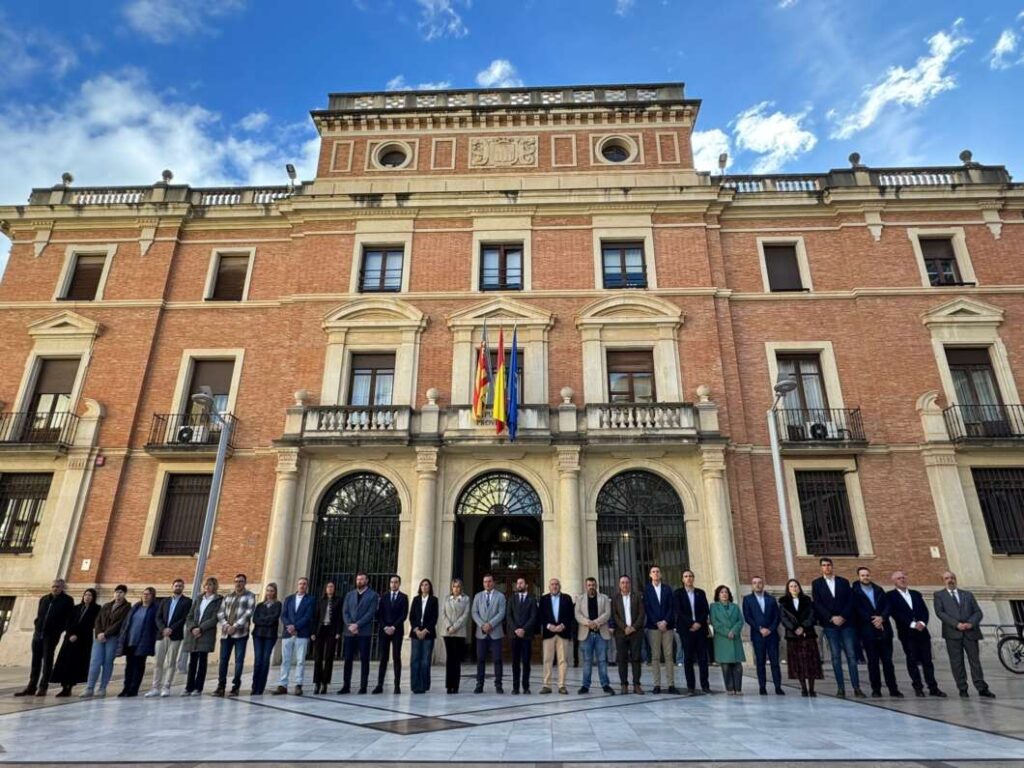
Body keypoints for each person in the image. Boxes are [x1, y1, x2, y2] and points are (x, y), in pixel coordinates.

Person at [933, 571, 995, 698]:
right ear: (942, 581)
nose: (950, 580)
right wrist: (956, 624)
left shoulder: (967, 594)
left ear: (956, 579)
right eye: (947, 578)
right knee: (957, 662)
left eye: (952, 578)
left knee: (975, 661)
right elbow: (940, 613)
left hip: (970, 632)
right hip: (952, 633)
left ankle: (981, 687)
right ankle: (962, 688)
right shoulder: (939, 595)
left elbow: (978, 612)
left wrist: (970, 623)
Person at [811, 557, 864, 698]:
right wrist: (831, 617)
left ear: (832, 566)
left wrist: (843, 616)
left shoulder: (843, 582)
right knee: (835, 656)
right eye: (824, 565)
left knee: (852, 656)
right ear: (821, 568)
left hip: (846, 624)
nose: (827, 567)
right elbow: (818, 604)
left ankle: (856, 687)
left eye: (828, 565)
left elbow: (850, 601)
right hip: (829, 625)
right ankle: (841, 688)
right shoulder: (816, 584)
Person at [888, 571, 945, 697]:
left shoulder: (915, 594)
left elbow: (924, 610)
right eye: (898, 578)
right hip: (907, 633)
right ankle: (918, 687)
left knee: (927, 661)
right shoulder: (890, 596)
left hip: (922, 632)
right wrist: (912, 624)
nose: (902, 580)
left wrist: (923, 623)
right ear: (894, 581)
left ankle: (933, 687)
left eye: (903, 577)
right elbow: (895, 613)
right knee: (912, 660)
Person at [16, 579, 75, 697]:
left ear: (62, 588)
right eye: (53, 586)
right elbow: (39, 615)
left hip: (51, 636)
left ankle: (43, 687)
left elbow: (68, 619)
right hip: (38, 634)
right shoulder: (44, 599)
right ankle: (31, 686)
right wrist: (37, 625)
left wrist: (59, 630)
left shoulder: (67, 600)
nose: (55, 588)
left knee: (47, 661)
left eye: (58, 587)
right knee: (35, 662)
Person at [851, 566, 902, 698]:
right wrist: (873, 620)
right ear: (858, 577)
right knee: (873, 662)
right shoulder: (855, 592)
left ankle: (893, 688)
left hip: (884, 630)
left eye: (867, 575)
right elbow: (857, 610)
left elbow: (888, 606)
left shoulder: (879, 590)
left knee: (887, 662)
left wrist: (882, 618)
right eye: (862, 575)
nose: (865, 577)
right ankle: (876, 689)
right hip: (868, 631)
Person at [145, 578, 192, 697]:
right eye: (176, 585)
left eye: (180, 586)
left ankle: (166, 686)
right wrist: (163, 629)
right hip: (161, 635)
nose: (178, 587)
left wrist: (171, 629)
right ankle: (155, 687)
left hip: (175, 636)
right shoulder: (164, 601)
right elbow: (158, 617)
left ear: (183, 588)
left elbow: (184, 618)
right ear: (172, 587)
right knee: (158, 662)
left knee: (171, 662)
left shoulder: (187, 602)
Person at [81, 585, 130, 698]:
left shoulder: (127, 607)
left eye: (121, 592)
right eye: (117, 592)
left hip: (112, 638)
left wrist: (106, 633)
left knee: (107, 663)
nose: (118, 594)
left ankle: (102, 688)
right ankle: (89, 687)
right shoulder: (107, 606)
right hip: (99, 637)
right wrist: (98, 633)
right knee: (95, 662)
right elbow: (98, 620)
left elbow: (120, 623)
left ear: (125, 594)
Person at [51, 588, 100, 697]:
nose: (87, 597)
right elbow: (68, 622)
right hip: (69, 639)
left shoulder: (96, 609)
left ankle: (70, 686)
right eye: (86, 595)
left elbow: (91, 625)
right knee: (65, 662)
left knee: (75, 664)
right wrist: (71, 634)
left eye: (90, 595)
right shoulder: (76, 608)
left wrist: (77, 635)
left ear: (93, 597)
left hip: (83, 640)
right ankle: (64, 687)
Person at [214, 573, 256, 697]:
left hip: (241, 635)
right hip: (226, 634)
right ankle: (221, 687)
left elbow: (249, 612)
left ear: (245, 583)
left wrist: (235, 626)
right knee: (223, 661)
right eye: (237, 581)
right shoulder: (227, 597)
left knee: (239, 661)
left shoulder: (250, 596)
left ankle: (235, 687)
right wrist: (227, 626)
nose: (238, 583)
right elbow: (220, 613)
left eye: (241, 581)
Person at [779, 578, 822, 697]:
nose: (794, 588)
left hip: (808, 634)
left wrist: (803, 627)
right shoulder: (783, 603)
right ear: (788, 589)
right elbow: (784, 619)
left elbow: (812, 616)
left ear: (799, 587)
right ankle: (803, 688)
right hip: (793, 636)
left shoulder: (807, 601)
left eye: (796, 586)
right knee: (798, 663)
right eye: (791, 586)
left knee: (810, 662)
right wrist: (795, 628)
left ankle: (812, 688)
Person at [741, 576, 784, 695]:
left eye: (759, 583)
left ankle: (778, 686)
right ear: (752, 585)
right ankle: (762, 686)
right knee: (760, 662)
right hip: (757, 635)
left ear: (763, 584)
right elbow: (747, 616)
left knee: (775, 662)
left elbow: (777, 616)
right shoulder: (747, 599)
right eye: (755, 583)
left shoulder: (771, 599)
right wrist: (759, 629)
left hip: (772, 635)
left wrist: (770, 629)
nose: (757, 585)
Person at [339, 572, 379, 694]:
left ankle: (363, 686)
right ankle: (346, 685)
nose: (359, 581)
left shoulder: (373, 595)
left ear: (367, 580)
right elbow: (345, 611)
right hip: (349, 632)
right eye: (358, 579)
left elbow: (370, 613)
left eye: (362, 579)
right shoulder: (349, 595)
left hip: (364, 632)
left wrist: (358, 624)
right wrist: (350, 625)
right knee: (348, 659)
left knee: (364, 660)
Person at [182, 577, 222, 696]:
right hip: (193, 634)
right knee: (192, 661)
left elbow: (215, 618)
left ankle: (198, 688)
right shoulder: (199, 599)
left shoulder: (218, 600)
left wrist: (201, 628)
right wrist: (193, 628)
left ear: (215, 586)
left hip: (206, 633)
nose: (208, 587)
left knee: (202, 662)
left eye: (210, 585)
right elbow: (189, 616)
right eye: (206, 585)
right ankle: (189, 687)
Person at [276, 577, 315, 696]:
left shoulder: (311, 600)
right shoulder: (289, 599)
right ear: (297, 585)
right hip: (288, 633)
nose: (302, 586)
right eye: (300, 584)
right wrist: (289, 626)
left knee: (300, 661)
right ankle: (283, 684)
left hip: (302, 634)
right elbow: (283, 615)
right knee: (285, 660)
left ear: (307, 586)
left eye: (304, 584)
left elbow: (308, 616)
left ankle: (298, 684)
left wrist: (296, 627)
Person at [575, 577, 614, 695]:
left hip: (601, 634)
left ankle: (605, 685)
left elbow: (607, 614)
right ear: (586, 586)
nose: (591, 587)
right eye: (589, 585)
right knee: (587, 661)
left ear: (596, 585)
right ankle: (585, 686)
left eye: (593, 584)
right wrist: (588, 623)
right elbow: (577, 614)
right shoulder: (580, 599)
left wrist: (596, 622)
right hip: (586, 634)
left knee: (602, 660)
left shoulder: (604, 598)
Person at [117, 587, 159, 697]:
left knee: (138, 666)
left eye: (148, 594)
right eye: (144, 594)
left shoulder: (155, 609)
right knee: (129, 666)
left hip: (143, 641)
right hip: (130, 640)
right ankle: (125, 688)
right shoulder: (135, 607)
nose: (145, 596)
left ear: (152, 596)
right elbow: (127, 623)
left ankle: (133, 689)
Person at [674, 569, 709, 695]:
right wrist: (691, 623)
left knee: (703, 659)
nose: (688, 578)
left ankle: (705, 685)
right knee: (688, 659)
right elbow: (678, 611)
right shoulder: (678, 593)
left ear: (693, 578)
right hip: (686, 630)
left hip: (700, 630)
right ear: (682, 579)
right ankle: (690, 687)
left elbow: (705, 610)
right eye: (686, 576)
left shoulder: (701, 593)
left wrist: (698, 623)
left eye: (690, 576)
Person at [643, 566, 676, 695]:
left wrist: (665, 621)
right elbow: (647, 608)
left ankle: (671, 684)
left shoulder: (667, 589)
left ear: (660, 574)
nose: (656, 574)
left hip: (667, 627)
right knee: (655, 657)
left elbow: (671, 607)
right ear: (650, 575)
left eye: (657, 572)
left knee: (668, 656)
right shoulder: (647, 590)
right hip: (653, 627)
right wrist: (657, 622)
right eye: (653, 572)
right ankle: (656, 684)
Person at [472, 573, 506, 694]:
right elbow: (474, 613)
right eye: (485, 581)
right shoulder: (478, 596)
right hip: (481, 634)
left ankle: (498, 685)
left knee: (497, 659)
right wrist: (482, 625)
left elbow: (501, 613)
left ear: (493, 582)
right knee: (480, 659)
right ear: (483, 583)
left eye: (490, 581)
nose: (487, 583)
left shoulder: (500, 596)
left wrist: (490, 624)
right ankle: (479, 684)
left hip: (495, 633)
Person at [538, 578, 573, 694]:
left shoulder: (567, 598)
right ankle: (546, 685)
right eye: (552, 584)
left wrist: (562, 625)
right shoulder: (543, 599)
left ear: (560, 586)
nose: (554, 586)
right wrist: (548, 626)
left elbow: (570, 615)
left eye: (557, 584)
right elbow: (540, 615)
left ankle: (562, 685)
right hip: (549, 633)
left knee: (563, 660)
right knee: (547, 659)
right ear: (549, 587)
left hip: (563, 633)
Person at [611, 574, 645, 694]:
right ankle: (624, 684)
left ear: (630, 584)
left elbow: (641, 614)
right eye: (623, 583)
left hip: (636, 633)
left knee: (636, 659)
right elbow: (614, 615)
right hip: (621, 633)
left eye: (627, 582)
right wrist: (625, 627)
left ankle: (636, 684)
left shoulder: (637, 597)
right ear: (619, 585)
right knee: (622, 659)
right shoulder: (615, 598)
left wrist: (633, 627)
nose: (625, 585)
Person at [374, 575, 408, 694]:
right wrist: (385, 627)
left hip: (397, 631)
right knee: (383, 658)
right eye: (392, 582)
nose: (394, 584)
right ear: (389, 584)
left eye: (396, 582)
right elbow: (379, 614)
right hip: (384, 631)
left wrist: (393, 627)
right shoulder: (383, 597)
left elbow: (403, 615)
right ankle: (379, 684)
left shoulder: (404, 597)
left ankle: (397, 685)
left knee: (396, 657)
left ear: (399, 584)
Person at [710, 585, 745, 694]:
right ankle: (729, 688)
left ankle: (738, 688)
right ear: (718, 595)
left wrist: (733, 631)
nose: (724, 594)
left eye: (726, 592)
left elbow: (740, 620)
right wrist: (726, 632)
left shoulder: (735, 607)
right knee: (725, 665)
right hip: (722, 639)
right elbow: (714, 622)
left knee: (737, 666)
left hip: (735, 638)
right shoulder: (714, 607)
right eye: (721, 592)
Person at [506, 576, 537, 695]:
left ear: (526, 585)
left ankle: (526, 687)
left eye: (521, 583)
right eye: (517, 583)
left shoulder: (532, 598)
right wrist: (516, 629)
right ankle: (515, 687)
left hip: (527, 635)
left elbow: (533, 616)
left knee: (526, 662)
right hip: (514, 636)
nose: (519, 585)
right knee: (515, 662)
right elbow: (508, 616)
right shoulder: (511, 598)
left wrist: (523, 629)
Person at [250, 582, 281, 696]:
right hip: (257, 635)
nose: (269, 593)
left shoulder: (278, 605)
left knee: (265, 660)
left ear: (275, 592)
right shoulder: (259, 605)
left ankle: (260, 687)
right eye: (268, 590)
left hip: (270, 636)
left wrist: (263, 620)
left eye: (271, 591)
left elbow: (274, 618)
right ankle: (254, 686)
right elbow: (255, 619)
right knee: (258, 661)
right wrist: (265, 621)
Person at [409, 578, 438, 694]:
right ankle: (415, 685)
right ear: (420, 587)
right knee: (415, 660)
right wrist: (416, 630)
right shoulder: (416, 600)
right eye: (422, 585)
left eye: (426, 585)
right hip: (416, 633)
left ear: (429, 587)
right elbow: (411, 617)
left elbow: (434, 618)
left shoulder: (434, 600)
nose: (424, 587)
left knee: (425, 660)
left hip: (428, 633)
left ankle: (424, 685)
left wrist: (425, 630)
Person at [311, 581, 341, 695]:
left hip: (332, 631)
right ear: (325, 588)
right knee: (318, 658)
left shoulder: (338, 600)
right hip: (320, 630)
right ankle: (317, 682)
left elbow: (339, 618)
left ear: (334, 589)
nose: (330, 588)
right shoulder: (320, 600)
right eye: (328, 586)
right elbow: (315, 617)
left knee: (329, 657)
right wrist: (313, 632)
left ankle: (325, 683)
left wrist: (338, 631)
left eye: (332, 587)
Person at [442, 578, 470, 694]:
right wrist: (449, 626)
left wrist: (455, 627)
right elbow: (443, 613)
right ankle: (449, 685)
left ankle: (456, 685)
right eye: (454, 586)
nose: (456, 588)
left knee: (457, 659)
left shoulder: (466, 599)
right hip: (447, 633)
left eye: (458, 586)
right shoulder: (446, 599)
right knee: (450, 659)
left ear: (461, 588)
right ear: (451, 587)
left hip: (459, 633)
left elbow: (465, 615)